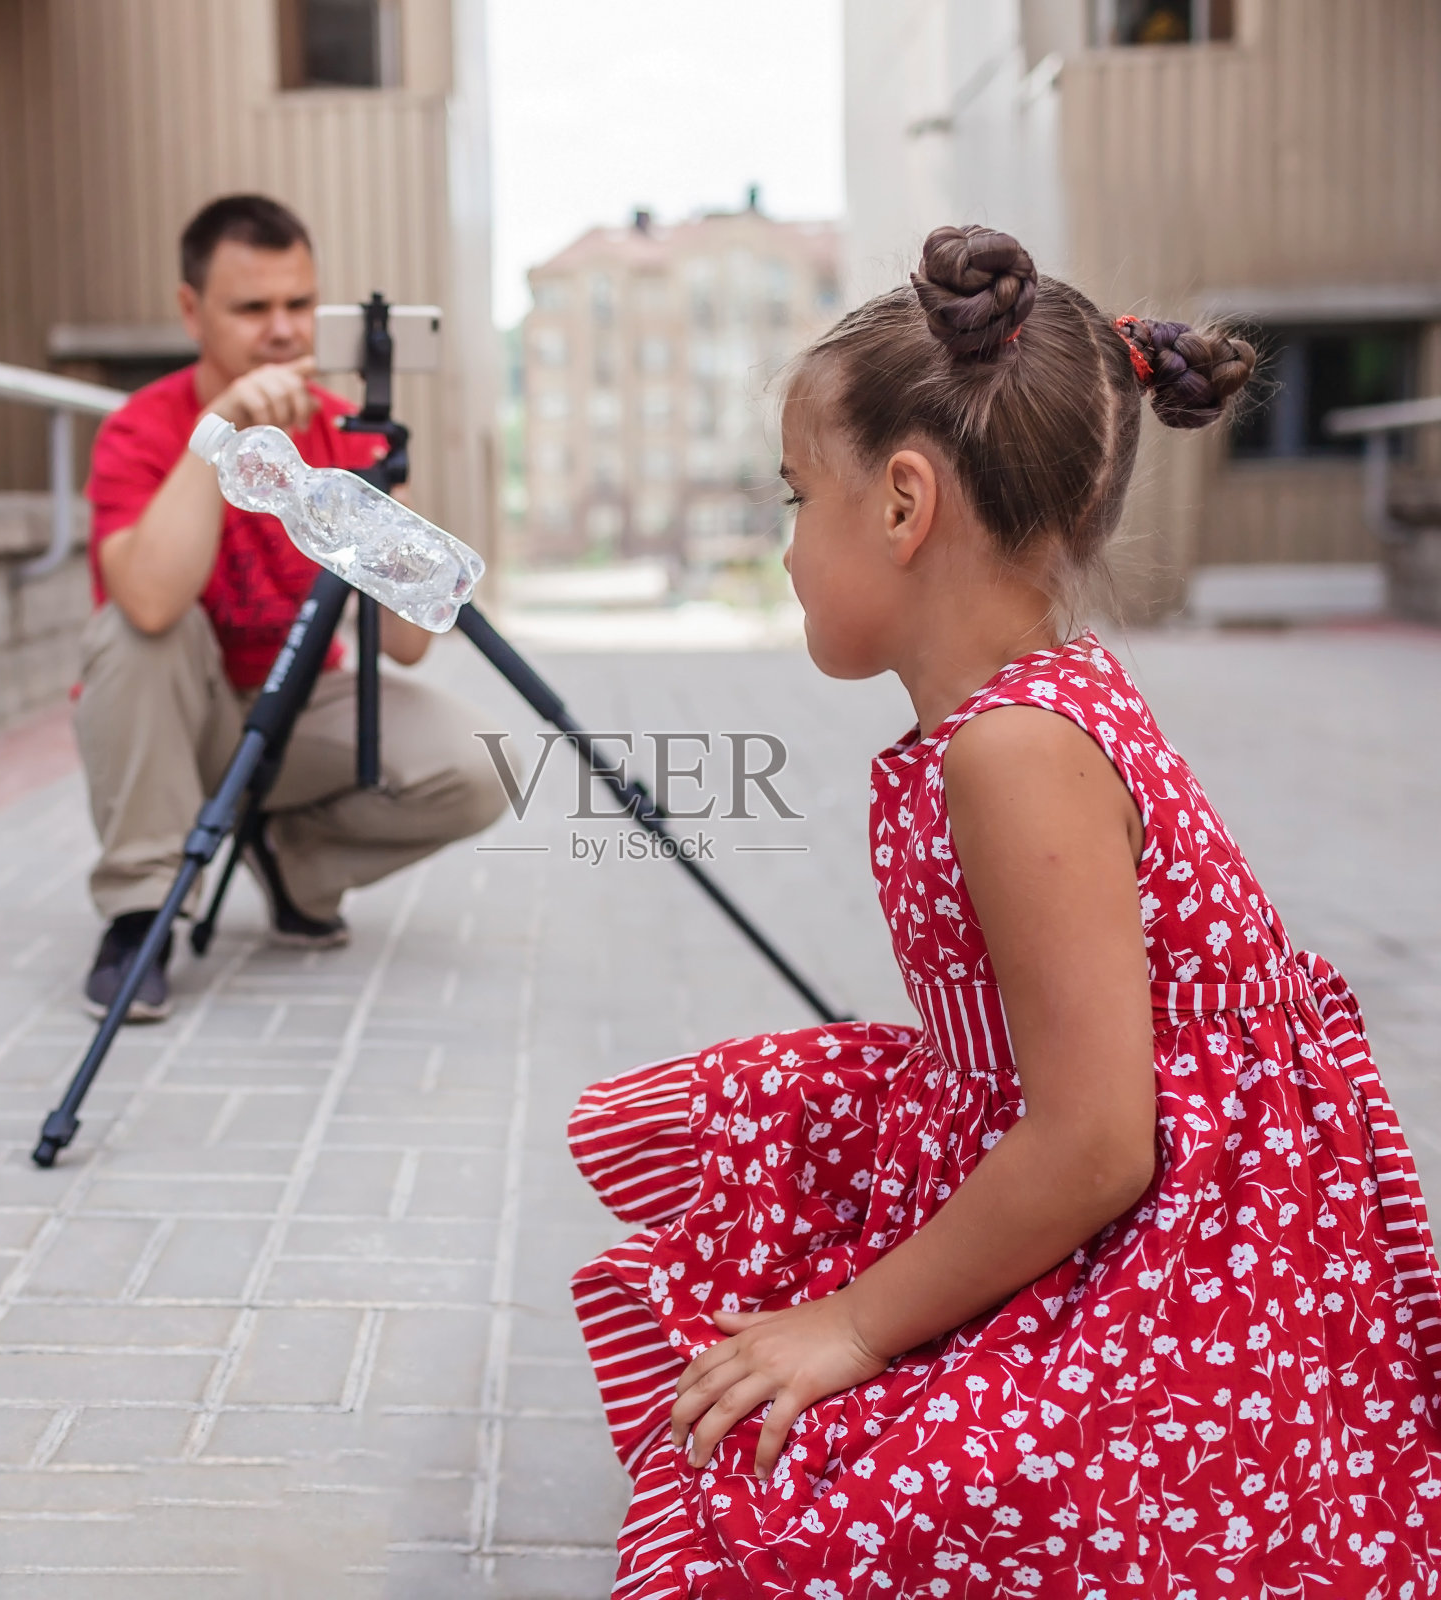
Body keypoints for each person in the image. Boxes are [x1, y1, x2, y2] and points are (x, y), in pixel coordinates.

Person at [567, 226, 1441, 1596]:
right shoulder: (1012, 713)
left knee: (848, 1497)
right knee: (771, 1158)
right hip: (1105, 1150)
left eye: (798, 496)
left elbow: (1100, 1145)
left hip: (1196, 1253)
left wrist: (854, 1325)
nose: (788, 543)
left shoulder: (1014, 750)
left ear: (905, 505)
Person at [76, 194, 506, 1020]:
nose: (281, 330)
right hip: (176, 727)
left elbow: (411, 647)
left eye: (299, 304)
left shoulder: (345, 430)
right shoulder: (140, 430)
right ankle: (142, 913)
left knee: (484, 763)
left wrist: (393, 500)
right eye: (251, 308)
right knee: (132, 636)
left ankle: (292, 859)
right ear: (191, 310)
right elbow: (153, 602)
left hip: (300, 709)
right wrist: (221, 428)